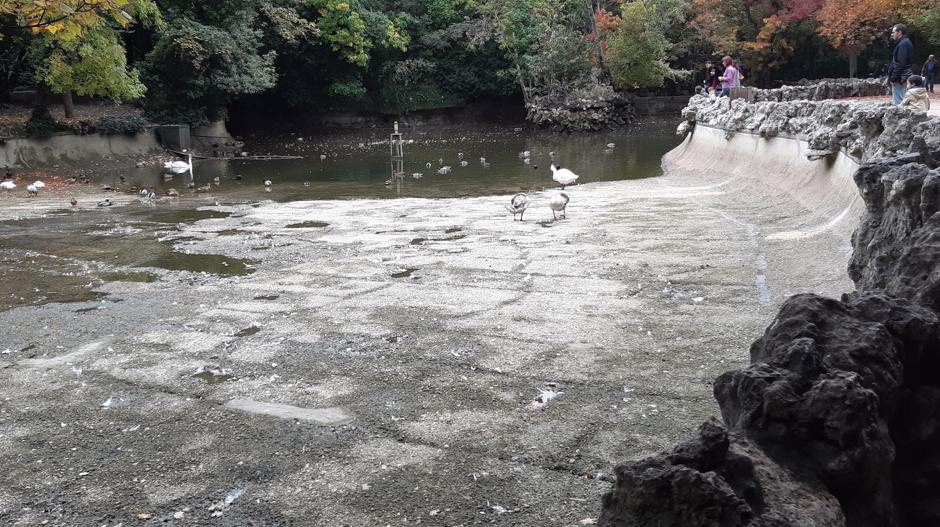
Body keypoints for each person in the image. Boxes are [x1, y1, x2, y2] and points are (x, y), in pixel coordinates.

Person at [888, 23, 913, 105]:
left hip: (901, 77)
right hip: (903, 75)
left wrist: (894, 77)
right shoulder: (904, 43)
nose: (892, 34)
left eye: (893, 32)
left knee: (899, 102)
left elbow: (900, 63)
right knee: (902, 100)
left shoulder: (903, 44)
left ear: (900, 32)